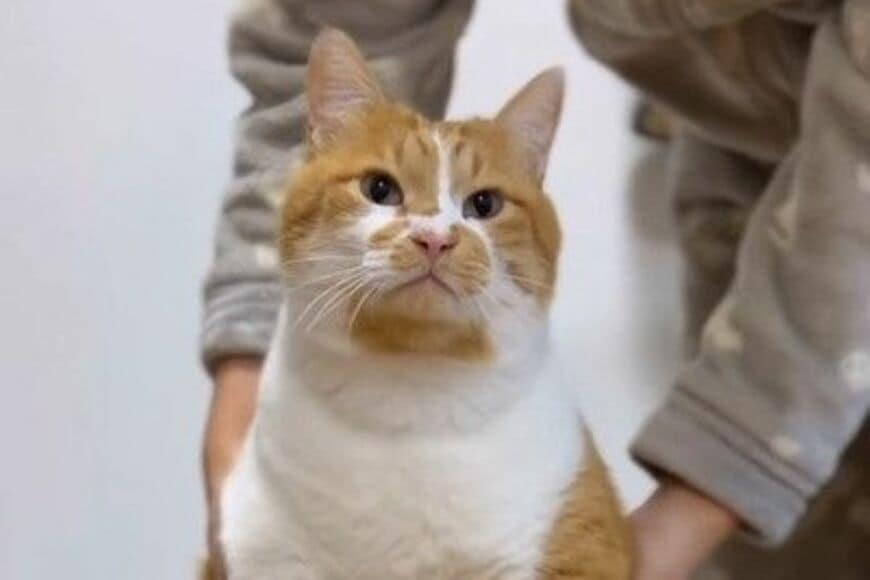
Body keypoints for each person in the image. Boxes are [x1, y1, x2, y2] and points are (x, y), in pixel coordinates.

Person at [201, 1, 870, 578]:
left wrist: (713, 486)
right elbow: (343, 25)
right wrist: (247, 366)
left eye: (482, 207)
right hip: (753, 168)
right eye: (382, 190)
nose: (435, 236)